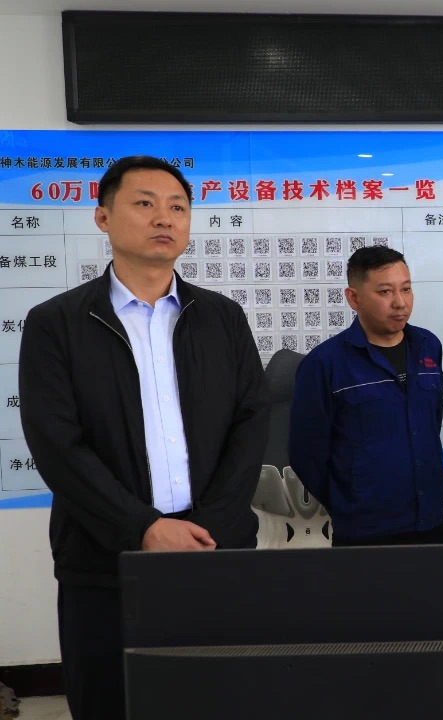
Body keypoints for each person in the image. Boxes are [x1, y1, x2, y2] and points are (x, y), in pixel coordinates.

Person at [18, 155, 267, 720]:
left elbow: (251, 422)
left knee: (222, 700)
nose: (164, 218)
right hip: (105, 562)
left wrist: (210, 526)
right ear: (103, 217)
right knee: (112, 703)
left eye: (178, 207)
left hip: (217, 553)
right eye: (145, 203)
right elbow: (57, 444)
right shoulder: (57, 323)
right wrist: (143, 528)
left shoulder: (223, 317)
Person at [290, 246, 443, 546]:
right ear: (354, 298)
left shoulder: (429, 346)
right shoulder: (325, 364)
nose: (400, 302)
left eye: (406, 289)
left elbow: (431, 423)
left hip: (431, 520)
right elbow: (306, 453)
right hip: (364, 531)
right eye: (385, 292)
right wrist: (347, 501)